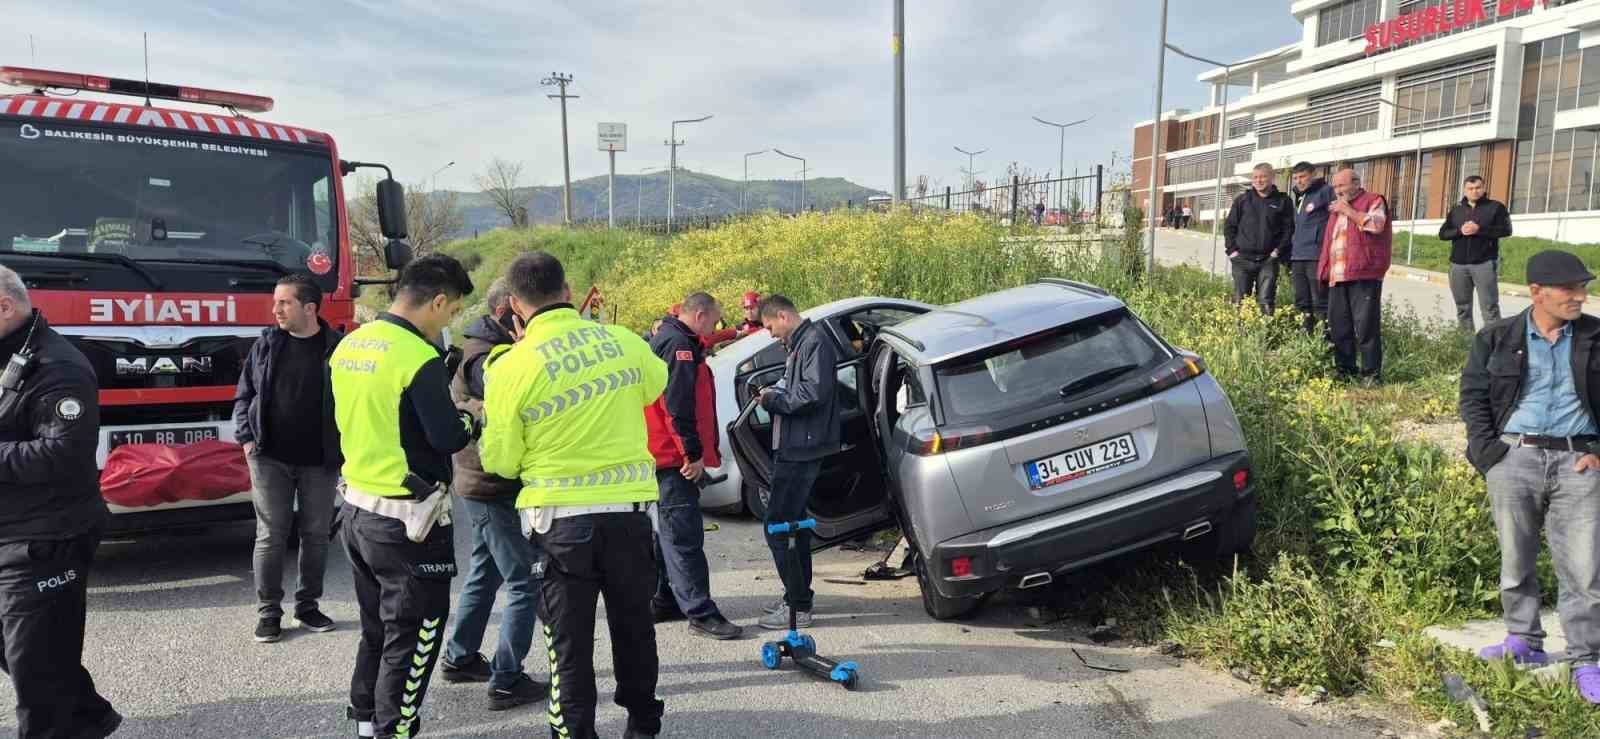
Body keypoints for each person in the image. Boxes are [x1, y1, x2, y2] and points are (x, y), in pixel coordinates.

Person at [480, 251, 669, 739]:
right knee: (634, 630)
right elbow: (656, 385)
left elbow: (499, 460)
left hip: (560, 527)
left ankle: (577, 733)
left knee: (568, 644)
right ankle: (643, 725)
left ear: (515, 307)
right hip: (629, 516)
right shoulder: (622, 341)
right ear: (568, 293)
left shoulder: (511, 366)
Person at [331, 254, 478, 739]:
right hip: (407, 521)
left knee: (377, 628)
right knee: (414, 636)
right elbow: (445, 437)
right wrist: (472, 417)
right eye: (452, 310)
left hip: (358, 508)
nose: (450, 320)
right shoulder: (416, 356)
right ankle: (397, 728)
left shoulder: (352, 344)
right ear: (438, 301)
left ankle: (366, 723)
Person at [1460, 249, 1600, 705]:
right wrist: (1489, 455)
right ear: (1536, 292)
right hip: (1514, 457)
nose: (1580, 296)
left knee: (1584, 568)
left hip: (1579, 460)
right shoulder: (1498, 336)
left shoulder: (1597, 336)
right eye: (1569, 288)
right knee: (1515, 559)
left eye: (1583, 287)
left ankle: (1586, 658)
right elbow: (1474, 395)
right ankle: (1524, 639)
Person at [0, 265, 120, 737]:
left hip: (45, 536)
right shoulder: (8, 348)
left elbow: (64, 453)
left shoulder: (58, 367)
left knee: (36, 672)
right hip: (9, 526)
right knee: (29, 652)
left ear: (4, 307)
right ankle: (89, 716)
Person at [437, 278, 549, 711]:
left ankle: (459, 657)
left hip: (481, 483)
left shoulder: (483, 345)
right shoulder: (486, 356)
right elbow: (511, 401)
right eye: (527, 309)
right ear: (509, 310)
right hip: (489, 483)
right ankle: (506, 680)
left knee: (485, 572)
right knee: (524, 580)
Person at [233, 274, 343, 644]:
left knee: (316, 536)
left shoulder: (338, 348)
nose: (275, 309)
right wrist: (246, 438)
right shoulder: (265, 345)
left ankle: (307, 606)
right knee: (270, 535)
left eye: (284, 302)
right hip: (269, 458)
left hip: (320, 460)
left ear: (309, 308)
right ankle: (268, 612)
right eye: (275, 302)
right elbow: (243, 395)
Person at [645, 292, 742, 640]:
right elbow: (677, 407)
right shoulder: (678, 348)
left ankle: (666, 598)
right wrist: (692, 455)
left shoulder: (673, 338)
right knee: (682, 534)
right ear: (700, 315)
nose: (714, 326)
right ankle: (700, 611)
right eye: (714, 320)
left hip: (662, 454)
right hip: (673, 458)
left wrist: (731, 334)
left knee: (666, 533)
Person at [754, 295, 841, 631]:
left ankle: (798, 606)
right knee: (791, 524)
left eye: (770, 326)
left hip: (803, 448)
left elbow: (813, 393)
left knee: (778, 525)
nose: (770, 334)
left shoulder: (814, 342)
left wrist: (773, 400)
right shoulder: (802, 343)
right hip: (796, 446)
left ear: (783, 315)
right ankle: (797, 597)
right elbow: (801, 386)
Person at [1319, 166, 1392, 383]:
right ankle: (1345, 371)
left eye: (1341, 185)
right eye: (1335, 186)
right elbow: (1329, 244)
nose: (1337, 190)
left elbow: (1377, 225)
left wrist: (1348, 211)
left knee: (1366, 326)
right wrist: (1324, 270)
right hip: (1338, 276)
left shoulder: (1373, 200)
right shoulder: (1336, 209)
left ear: (1356, 183)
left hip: (1363, 274)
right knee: (1339, 326)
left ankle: (1370, 374)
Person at [1440, 175, 1513, 333]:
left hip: (1484, 264)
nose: (1474, 191)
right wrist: (1460, 231)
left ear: (1484, 188)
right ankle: (1467, 344)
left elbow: (1506, 230)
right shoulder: (1456, 209)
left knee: (1489, 308)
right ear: (1465, 190)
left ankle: (1494, 344)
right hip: (1458, 266)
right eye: (1470, 188)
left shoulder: (1496, 207)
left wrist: (1479, 230)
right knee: (1462, 308)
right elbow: (1443, 234)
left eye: (1478, 188)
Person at [1223, 163, 1295, 315]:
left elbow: (1288, 230)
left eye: (1263, 176)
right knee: (1241, 301)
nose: (1258, 180)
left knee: (1266, 300)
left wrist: (1277, 252)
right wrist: (1232, 252)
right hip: (1242, 259)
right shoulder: (1242, 200)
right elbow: (1230, 227)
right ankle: (1242, 336)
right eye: (1255, 177)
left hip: (1268, 260)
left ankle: (1263, 336)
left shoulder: (1283, 201)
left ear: (1272, 177)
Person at [1289, 162, 1334, 335]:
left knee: (1320, 299)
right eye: (1296, 178)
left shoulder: (1326, 191)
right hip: (1298, 255)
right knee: (1302, 298)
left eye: (1303, 176)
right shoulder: (1300, 196)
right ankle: (1306, 332)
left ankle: (1326, 336)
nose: (1299, 181)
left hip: (1316, 255)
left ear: (1313, 174)